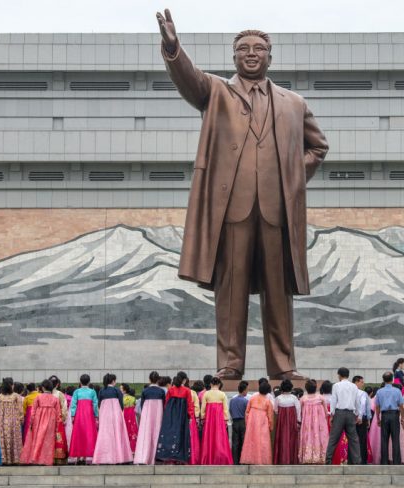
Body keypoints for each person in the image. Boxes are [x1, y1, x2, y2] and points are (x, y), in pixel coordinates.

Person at [156, 9, 328, 381]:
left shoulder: (293, 103)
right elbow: (189, 80)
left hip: (276, 211)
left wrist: (293, 178)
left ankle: (283, 365)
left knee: (279, 293)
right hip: (232, 210)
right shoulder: (217, 92)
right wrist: (173, 49)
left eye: (259, 48)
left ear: (270, 56)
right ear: (234, 57)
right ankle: (230, 363)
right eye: (244, 49)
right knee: (230, 292)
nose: (252, 53)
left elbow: (319, 147)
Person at [91, 374, 132, 465]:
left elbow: (99, 404)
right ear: (113, 381)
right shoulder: (117, 390)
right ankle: (120, 456)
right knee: (117, 434)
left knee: (105, 434)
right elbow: (121, 404)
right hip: (116, 414)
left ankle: (103, 457)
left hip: (105, 415)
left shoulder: (102, 391)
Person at [156, 374, 196, 464]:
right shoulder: (187, 390)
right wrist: (190, 416)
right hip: (182, 416)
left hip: (171, 415)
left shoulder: (171, 390)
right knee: (181, 434)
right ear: (184, 381)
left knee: (170, 433)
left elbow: (166, 403)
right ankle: (180, 456)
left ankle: (168, 455)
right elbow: (190, 404)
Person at [325, 367, 362, 465]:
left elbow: (333, 401)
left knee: (333, 438)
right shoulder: (354, 386)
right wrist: (358, 415)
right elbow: (357, 401)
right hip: (351, 414)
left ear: (339, 375)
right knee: (353, 439)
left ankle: (328, 461)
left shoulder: (336, 385)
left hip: (339, 413)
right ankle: (357, 462)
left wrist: (332, 414)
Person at [20, 379, 60, 466]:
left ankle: (36, 458)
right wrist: (57, 426)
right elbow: (58, 414)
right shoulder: (55, 399)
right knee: (49, 440)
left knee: (38, 439)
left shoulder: (38, 397)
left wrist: (31, 422)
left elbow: (33, 411)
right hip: (51, 420)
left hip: (39, 420)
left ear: (42, 387)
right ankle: (47, 459)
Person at [134, 374, 165, 465]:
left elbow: (142, 404)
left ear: (149, 379)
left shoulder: (145, 391)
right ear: (158, 380)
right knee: (157, 432)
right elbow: (163, 403)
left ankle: (144, 456)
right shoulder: (161, 391)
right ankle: (157, 456)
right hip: (158, 414)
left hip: (147, 415)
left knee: (145, 434)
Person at [240, 382, 274, 465]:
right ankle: (262, 460)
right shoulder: (268, 401)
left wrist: (247, 422)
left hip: (252, 423)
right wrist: (271, 426)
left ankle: (250, 459)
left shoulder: (252, 398)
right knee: (263, 441)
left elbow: (247, 412)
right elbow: (270, 416)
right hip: (263, 423)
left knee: (251, 441)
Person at [200, 377, 233, 465]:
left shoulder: (206, 394)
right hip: (219, 419)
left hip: (209, 419)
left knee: (209, 437)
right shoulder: (222, 394)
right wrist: (226, 419)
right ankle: (221, 458)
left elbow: (203, 408)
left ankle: (208, 458)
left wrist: (202, 417)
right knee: (219, 437)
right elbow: (226, 409)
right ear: (219, 384)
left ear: (210, 384)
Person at [375, 371, 404, 465]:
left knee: (384, 439)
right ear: (392, 380)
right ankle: (396, 461)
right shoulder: (397, 391)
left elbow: (377, 406)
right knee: (395, 438)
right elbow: (401, 405)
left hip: (384, 415)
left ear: (383, 380)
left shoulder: (379, 391)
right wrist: (403, 417)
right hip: (394, 415)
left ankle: (384, 461)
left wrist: (378, 418)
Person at [69, 374, 99, 465]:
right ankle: (85, 457)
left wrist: (73, 415)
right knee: (87, 434)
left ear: (80, 382)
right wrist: (96, 415)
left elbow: (73, 404)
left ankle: (78, 458)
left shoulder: (76, 392)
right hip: (89, 416)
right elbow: (95, 405)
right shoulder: (92, 392)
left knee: (79, 434)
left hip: (79, 415)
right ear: (89, 382)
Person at [298, 379, 328, 465]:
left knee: (308, 437)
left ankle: (307, 457)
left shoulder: (303, 399)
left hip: (307, 424)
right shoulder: (321, 398)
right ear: (316, 388)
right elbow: (326, 412)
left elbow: (299, 412)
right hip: (319, 423)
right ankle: (320, 457)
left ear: (306, 388)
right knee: (320, 437)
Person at [0, 377, 23, 465]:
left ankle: (4, 459)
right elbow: (20, 410)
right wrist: (21, 420)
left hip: (1, 422)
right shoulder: (16, 396)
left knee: (3, 439)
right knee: (13, 439)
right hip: (13, 422)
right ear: (11, 385)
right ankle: (14, 459)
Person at [273, 379, 301, 465]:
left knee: (282, 439)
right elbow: (298, 410)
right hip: (292, 422)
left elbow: (275, 410)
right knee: (291, 439)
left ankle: (281, 459)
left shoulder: (278, 398)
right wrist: (298, 421)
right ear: (291, 388)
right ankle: (292, 460)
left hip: (281, 423)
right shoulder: (294, 398)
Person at [229, 381, 249, 465]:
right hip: (243, 422)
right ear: (244, 390)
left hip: (235, 422)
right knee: (243, 441)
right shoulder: (246, 401)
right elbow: (247, 412)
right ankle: (242, 460)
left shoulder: (232, 400)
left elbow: (230, 410)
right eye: (247, 390)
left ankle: (235, 461)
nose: (247, 392)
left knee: (235, 442)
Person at [120, 384, 138, 455]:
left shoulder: (121, 399)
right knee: (132, 430)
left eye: (121, 389)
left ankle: (124, 449)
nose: (120, 390)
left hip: (124, 416)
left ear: (124, 390)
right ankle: (133, 449)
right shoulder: (133, 398)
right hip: (132, 417)